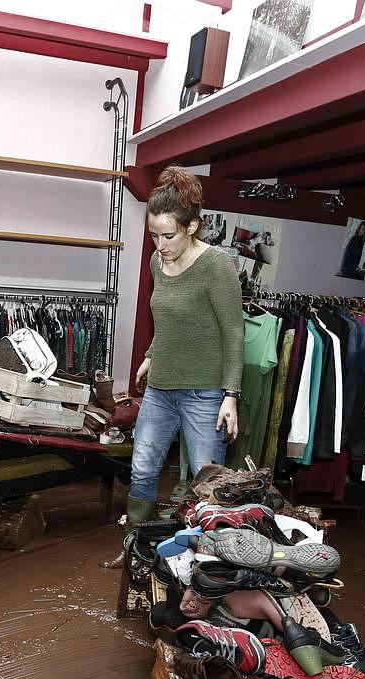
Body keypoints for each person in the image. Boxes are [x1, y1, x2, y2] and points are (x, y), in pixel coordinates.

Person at [129, 166, 243, 525]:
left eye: (168, 236)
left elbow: (233, 332)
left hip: (204, 393)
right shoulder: (157, 262)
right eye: (153, 236)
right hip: (160, 387)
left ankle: (208, 564)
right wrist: (150, 356)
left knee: (207, 482)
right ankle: (137, 545)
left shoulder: (216, 265)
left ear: (191, 227)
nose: (160, 246)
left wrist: (231, 395)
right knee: (142, 468)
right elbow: (167, 320)